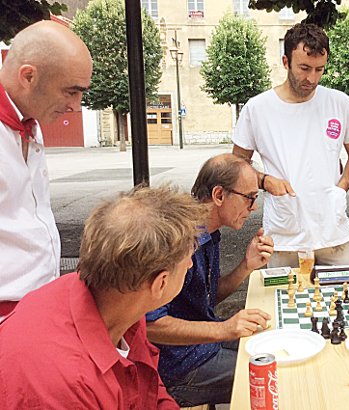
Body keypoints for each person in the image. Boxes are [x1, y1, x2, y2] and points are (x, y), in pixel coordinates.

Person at [0, 185, 208, 409]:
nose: (190, 264)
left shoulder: (120, 300)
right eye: (188, 259)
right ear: (161, 283)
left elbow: (148, 390)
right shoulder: (67, 383)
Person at [232, 23, 349, 267]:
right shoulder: (258, 109)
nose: (311, 78)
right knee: (284, 302)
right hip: (284, 237)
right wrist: (264, 181)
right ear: (286, 62)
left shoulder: (339, 103)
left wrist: (340, 190)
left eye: (319, 69)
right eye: (304, 68)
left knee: (348, 299)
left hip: (333, 232)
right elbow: (236, 165)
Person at [146, 154, 274, 407]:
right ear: (218, 195)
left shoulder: (208, 233)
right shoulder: (180, 240)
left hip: (200, 345)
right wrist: (224, 329)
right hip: (177, 368)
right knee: (274, 372)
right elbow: (149, 325)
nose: (254, 207)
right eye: (249, 197)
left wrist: (245, 267)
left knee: (272, 343)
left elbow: (205, 298)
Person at [0, 21, 92, 317]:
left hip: (35, 305)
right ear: (28, 76)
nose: (75, 106)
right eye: (70, 91)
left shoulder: (29, 120)